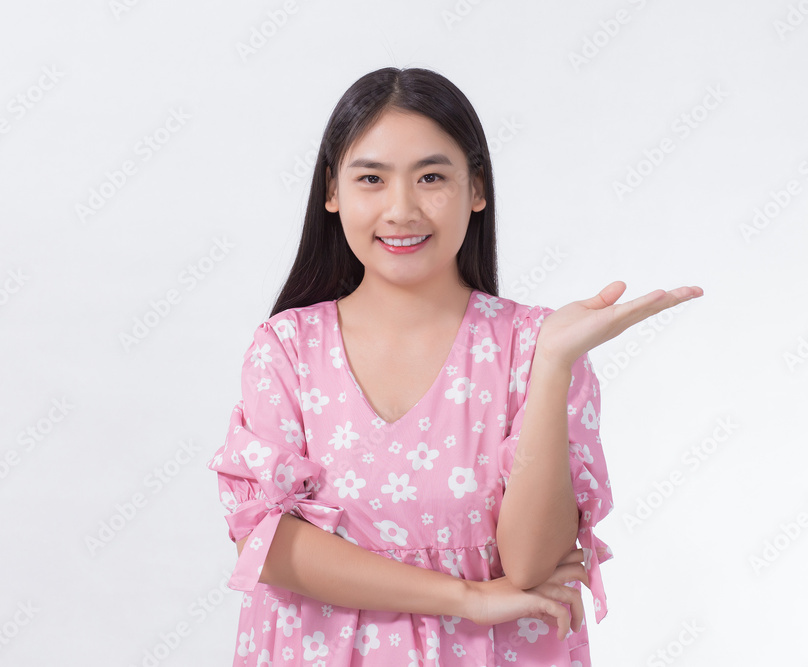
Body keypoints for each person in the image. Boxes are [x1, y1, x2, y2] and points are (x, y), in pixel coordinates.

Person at [206, 66, 703, 666]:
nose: (401, 209)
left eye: (432, 177)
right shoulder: (286, 348)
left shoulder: (537, 347)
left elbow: (531, 564)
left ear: (476, 189)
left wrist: (552, 365)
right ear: (332, 192)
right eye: (371, 179)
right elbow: (267, 546)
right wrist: (469, 598)